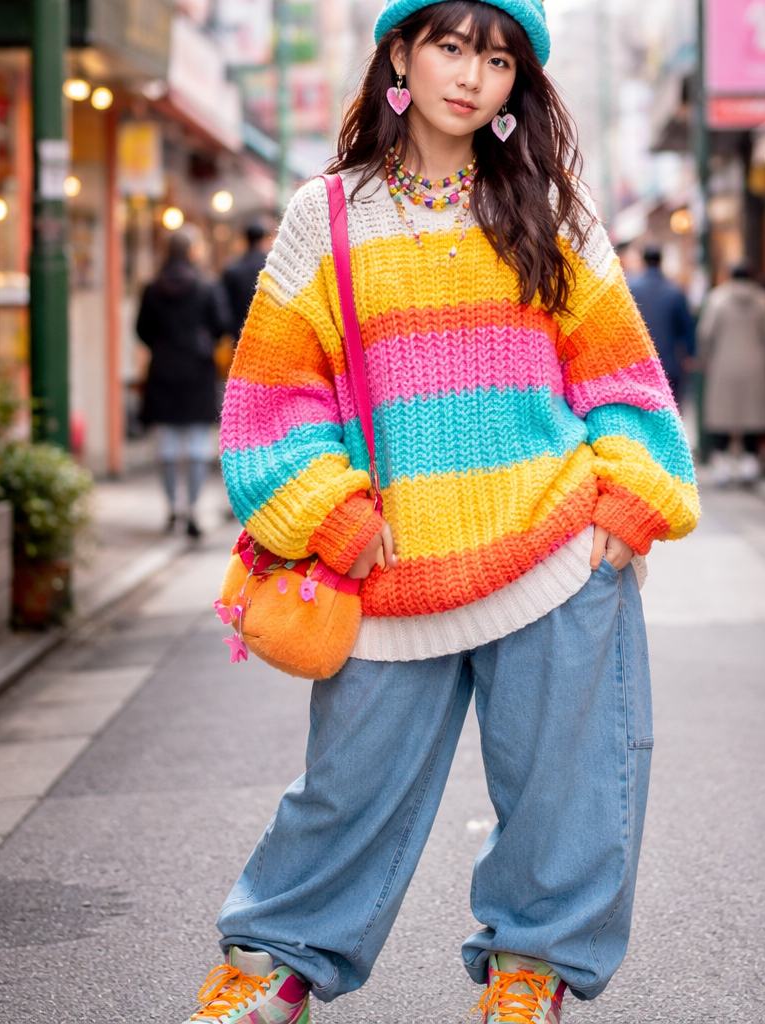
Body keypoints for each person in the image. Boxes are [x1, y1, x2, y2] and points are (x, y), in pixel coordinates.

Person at [185, 3, 699, 1022]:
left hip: (555, 552)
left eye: (498, 59)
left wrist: (625, 505)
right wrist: (330, 512)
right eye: (452, 48)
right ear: (401, 55)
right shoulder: (326, 214)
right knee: (345, 787)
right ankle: (272, 965)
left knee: (566, 786)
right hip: (387, 566)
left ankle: (530, 973)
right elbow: (271, 400)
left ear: (517, 83)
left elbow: (623, 379)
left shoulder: (552, 212)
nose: (471, 76)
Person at [136, 228, 230, 538]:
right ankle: (192, 508)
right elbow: (221, 324)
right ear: (192, 251)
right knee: (197, 444)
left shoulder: (152, 288)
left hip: (162, 369)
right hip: (197, 372)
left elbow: (142, 329)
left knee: (166, 444)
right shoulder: (206, 286)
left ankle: (172, 507)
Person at [696, 263, 765, 485]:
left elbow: (705, 333)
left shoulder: (716, 299)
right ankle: (749, 462)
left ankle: (722, 462)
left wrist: (706, 357)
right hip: (756, 365)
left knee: (722, 415)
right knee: (753, 415)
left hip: (723, 364)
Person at [625, 244, 695, 402]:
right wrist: (690, 354)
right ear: (661, 260)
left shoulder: (630, 289)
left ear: (643, 260)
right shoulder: (675, 291)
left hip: (637, 364)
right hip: (669, 364)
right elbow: (687, 329)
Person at [222, 222, 269, 340]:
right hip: (267, 332)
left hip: (240, 333)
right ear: (263, 239)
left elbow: (225, 306)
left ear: (245, 240)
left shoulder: (232, 269)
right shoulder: (271, 268)